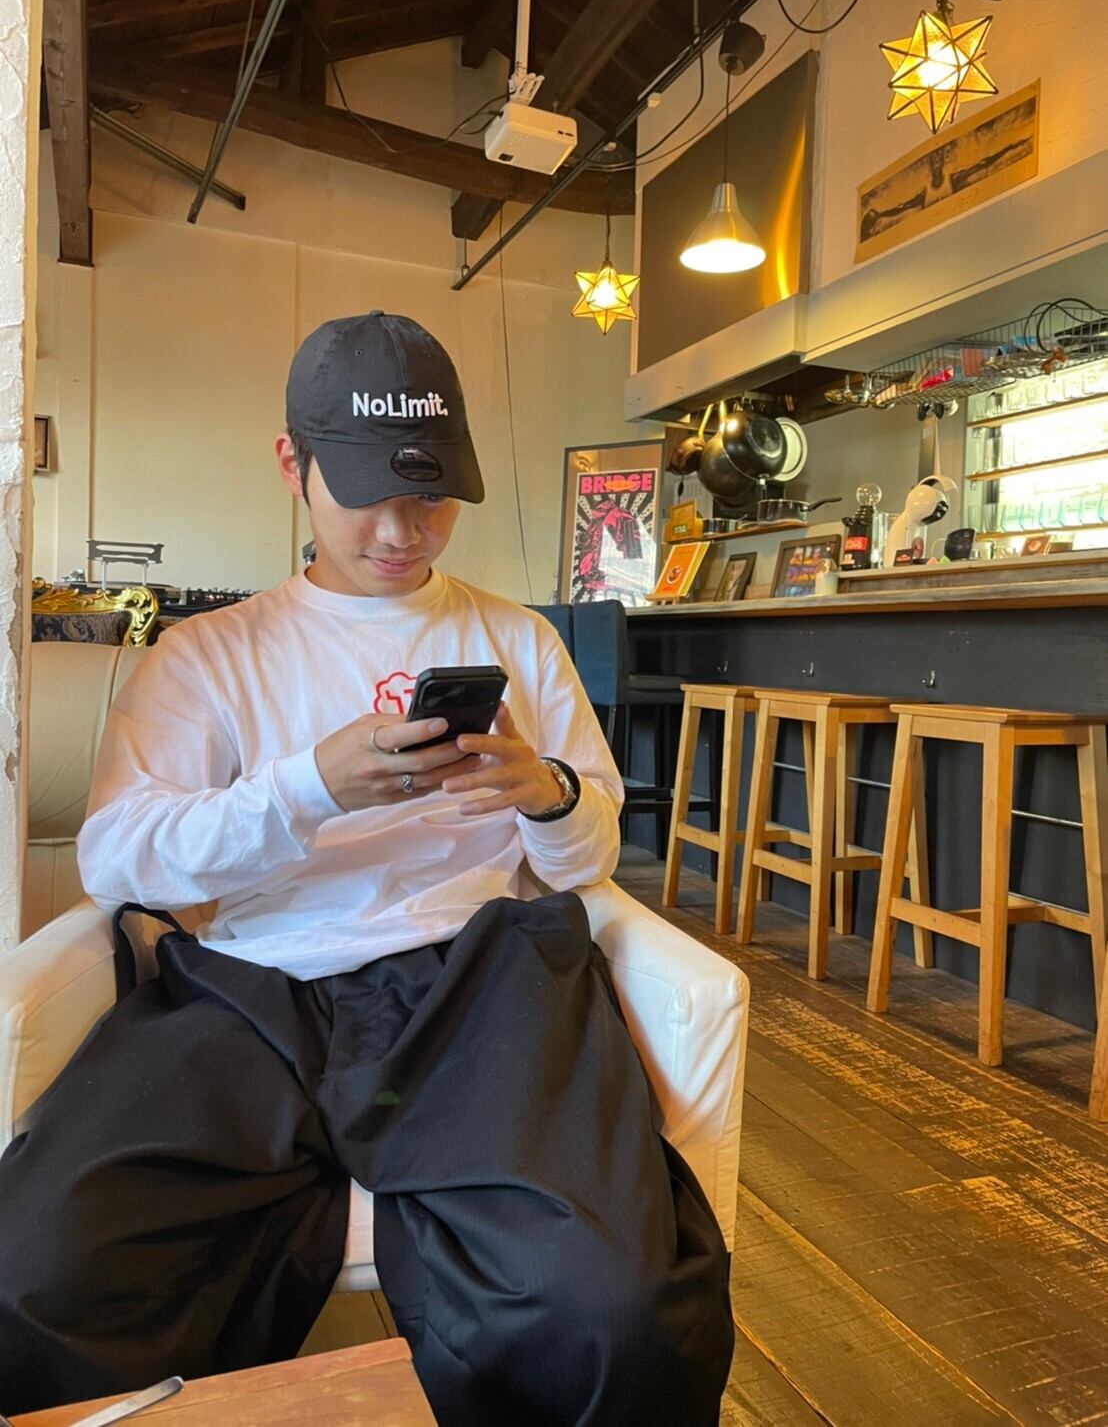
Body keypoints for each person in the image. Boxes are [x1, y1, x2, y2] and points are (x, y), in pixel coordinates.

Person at [0, 313, 733, 1424]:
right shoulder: (208, 654)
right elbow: (118, 856)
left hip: (478, 982)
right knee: (35, 1271)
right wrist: (310, 788)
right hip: (253, 988)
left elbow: (588, 856)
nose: (401, 530)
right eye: (367, 493)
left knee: (610, 1306)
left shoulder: (519, 641)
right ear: (292, 463)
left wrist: (542, 791)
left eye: (429, 496)